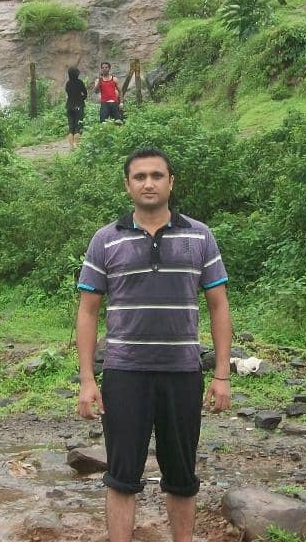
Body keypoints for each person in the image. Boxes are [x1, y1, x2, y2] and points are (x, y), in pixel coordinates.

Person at [76, 148, 231, 542]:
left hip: (182, 372)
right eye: (140, 176)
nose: (149, 183)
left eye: (157, 175)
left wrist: (222, 374)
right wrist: (87, 380)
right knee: (121, 474)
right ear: (128, 184)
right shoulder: (105, 240)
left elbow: (218, 305)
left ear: (171, 182)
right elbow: (89, 311)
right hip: (125, 374)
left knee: (181, 474)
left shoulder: (200, 236)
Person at [65, 67, 88, 149]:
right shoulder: (79, 82)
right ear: (77, 74)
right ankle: (76, 145)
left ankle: (71, 146)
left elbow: (68, 93)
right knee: (78, 127)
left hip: (69, 106)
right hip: (78, 106)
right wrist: (82, 98)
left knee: (71, 127)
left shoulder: (68, 83)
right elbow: (85, 93)